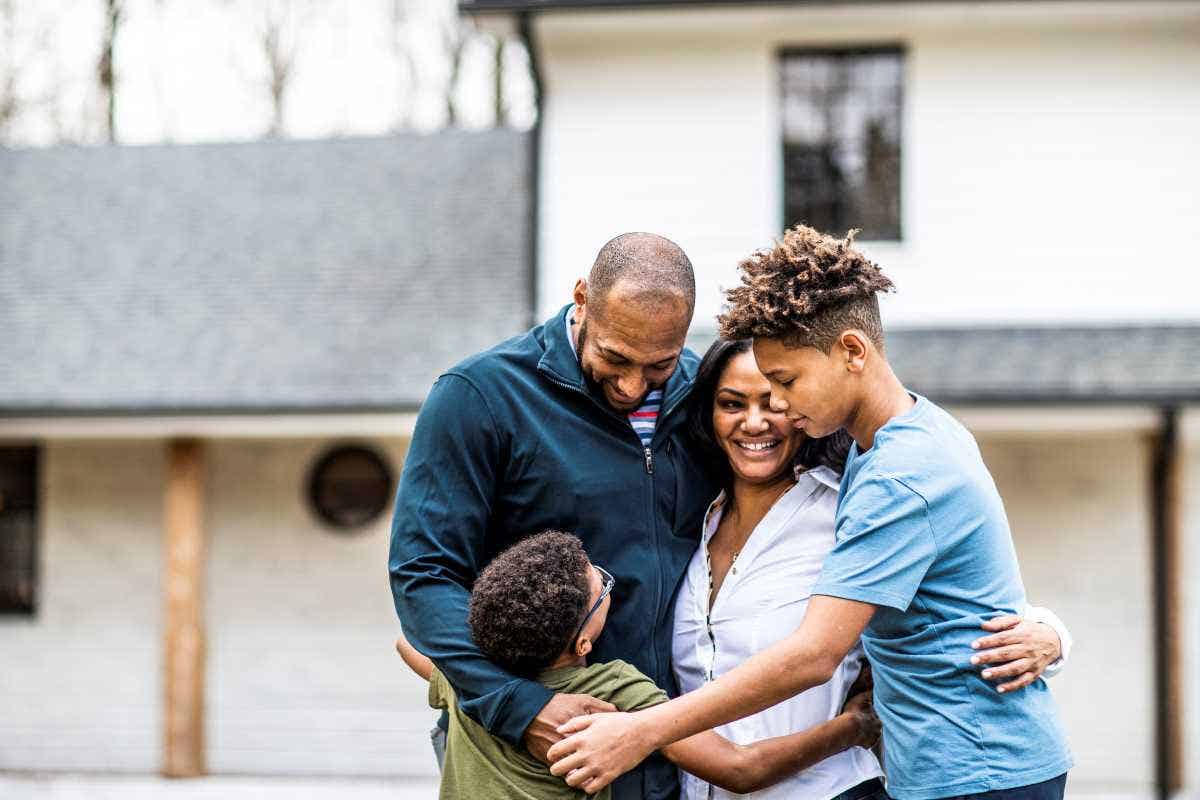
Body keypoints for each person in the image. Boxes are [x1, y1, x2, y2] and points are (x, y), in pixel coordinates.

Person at [548, 225, 1073, 800]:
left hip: (978, 771)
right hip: (948, 767)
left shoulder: (897, 475)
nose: (779, 406)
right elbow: (959, 593)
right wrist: (1050, 630)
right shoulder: (902, 444)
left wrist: (639, 730)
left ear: (852, 351)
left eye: (786, 382)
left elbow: (815, 654)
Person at [389, 233, 722, 800]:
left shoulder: (708, 397)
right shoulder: (480, 396)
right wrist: (523, 707)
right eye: (614, 358)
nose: (631, 386)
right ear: (582, 299)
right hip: (525, 753)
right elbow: (424, 577)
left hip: (668, 754)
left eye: (658, 365)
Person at [672, 339, 1072, 800]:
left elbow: (957, 588)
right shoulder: (689, 519)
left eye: (778, 394)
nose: (758, 419)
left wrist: (1050, 633)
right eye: (732, 403)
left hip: (839, 788)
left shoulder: (851, 504)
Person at [395, 530, 881, 799]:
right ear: (584, 642)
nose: (609, 584)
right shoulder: (610, 688)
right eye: (601, 587)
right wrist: (853, 726)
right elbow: (739, 768)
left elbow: (408, 646)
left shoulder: (470, 680)